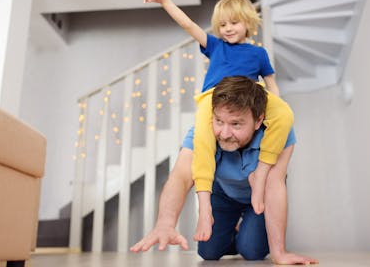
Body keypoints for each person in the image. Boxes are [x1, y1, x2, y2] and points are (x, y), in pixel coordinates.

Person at [143, 0, 294, 242]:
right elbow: (188, 24)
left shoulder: (258, 53)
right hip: (212, 99)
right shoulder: (215, 46)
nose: (227, 28)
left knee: (286, 115)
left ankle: (260, 178)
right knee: (202, 144)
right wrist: (165, 1)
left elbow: (271, 84)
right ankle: (205, 206)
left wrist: (274, 108)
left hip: (250, 96)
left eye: (234, 22)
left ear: (248, 23)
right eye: (222, 24)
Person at [131, 77, 318, 265]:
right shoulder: (202, 133)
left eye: (236, 124)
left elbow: (275, 185)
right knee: (208, 252)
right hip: (223, 194)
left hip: (260, 197)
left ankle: (246, 233)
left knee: (252, 251)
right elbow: (180, 177)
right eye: (219, 121)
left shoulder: (280, 133)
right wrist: (165, 222)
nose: (224, 133)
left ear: (258, 120)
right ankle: (234, 230)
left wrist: (280, 253)